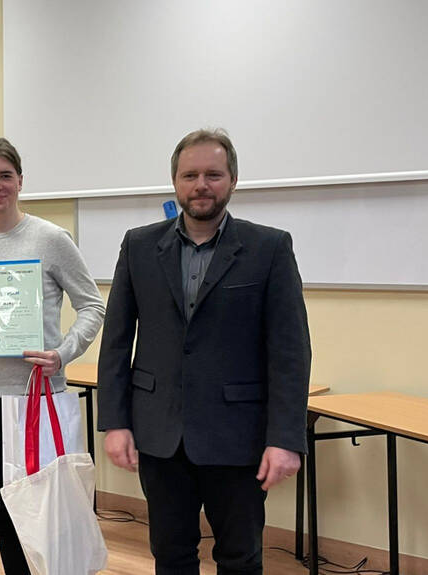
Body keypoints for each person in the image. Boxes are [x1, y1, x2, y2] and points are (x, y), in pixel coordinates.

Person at [97, 129, 312, 575]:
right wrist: (115, 422)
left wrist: (285, 438)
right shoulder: (138, 245)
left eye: (213, 174)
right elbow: (116, 341)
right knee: (171, 556)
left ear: (233, 180)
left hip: (238, 438)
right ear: (175, 181)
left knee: (240, 558)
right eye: (190, 175)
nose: (201, 185)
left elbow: (290, 352)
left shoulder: (269, 248)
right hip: (160, 436)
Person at [0, 138, 105, 575]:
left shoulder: (51, 238)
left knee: (48, 518)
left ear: (20, 181)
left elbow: (92, 306)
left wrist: (63, 354)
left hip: (37, 400)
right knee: (3, 516)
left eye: (4, 176)